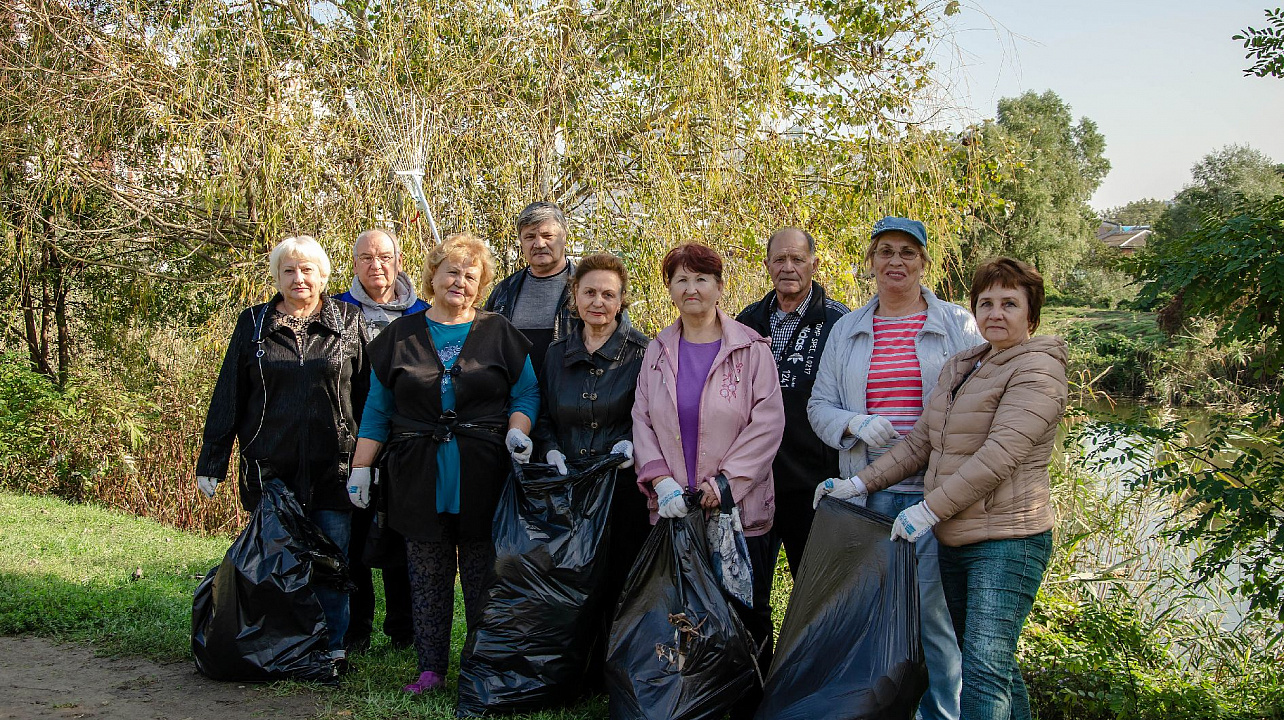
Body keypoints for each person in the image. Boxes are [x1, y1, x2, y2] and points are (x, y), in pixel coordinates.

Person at [817, 257, 1067, 720]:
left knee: (984, 671)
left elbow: (999, 456)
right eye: (986, 303)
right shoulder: (963, 366)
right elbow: (919, 444)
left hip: (1006, 541)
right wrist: (855, 484)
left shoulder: (1038, 370)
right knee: (994, 667)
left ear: (1031, 314)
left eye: (1010, 303)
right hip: (957, 537)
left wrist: (927, 510)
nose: (995, 313)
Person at [348, 233, 540, 695]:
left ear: (481, 285)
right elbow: (377, 409)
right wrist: (360, 467)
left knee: (483, 577)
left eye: (471, 276)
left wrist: (518, 430)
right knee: (427, 576)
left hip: (483, 472)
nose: (460, 282)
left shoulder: (499, 332)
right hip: (418, 473)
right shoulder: (400, 336)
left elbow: (527, 392)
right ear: (432, 276)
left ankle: (480, 666)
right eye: (452, 272)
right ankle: (431, 669)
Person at [807, 216, 982, 720]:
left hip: (934, 498)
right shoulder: (848, 329)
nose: (896, 261)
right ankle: (868, 710)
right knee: (868, 615)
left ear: (924, 261)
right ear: (871, 262)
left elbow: (980, 403)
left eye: (908, 252)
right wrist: (854, 423)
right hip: (866, 496)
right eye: (885, 251)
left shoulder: (956, 325)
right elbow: (819, 406)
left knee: (934, 620)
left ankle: (942, 713)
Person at [195, 235, 367, 666]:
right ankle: (279, 643)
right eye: (288, 270)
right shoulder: (253, 324)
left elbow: (369, 397)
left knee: (332, 560)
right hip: (270, 469)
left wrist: (371, 462)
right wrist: (212, 459)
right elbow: (229, 394)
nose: (298, 278)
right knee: (275, 561)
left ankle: (332, 646)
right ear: (276, 277)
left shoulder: (350, 321)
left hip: (335, 469)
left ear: (323, 275)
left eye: (307, 269)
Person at [632, 243, 784, 720]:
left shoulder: (751, 349)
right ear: (670, 289)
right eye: (681, 279)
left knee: (745, 609)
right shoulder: (657, 351)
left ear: (719, 286)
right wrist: (660, 480)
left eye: (701, 278)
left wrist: (725, 483)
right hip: (677, 510)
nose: (691, 288)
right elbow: (642, 420)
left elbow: (768, 423)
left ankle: (750, 702)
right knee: (685, 611)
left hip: (737, 509)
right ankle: (695, 701)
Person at [531, 252, 651, 681]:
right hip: (568, 486)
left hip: (621, 488)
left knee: (619, 578)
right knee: (571, 578)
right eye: (589, 292)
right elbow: (542, 414)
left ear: (621, 300)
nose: (598, 302)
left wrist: (634, 442)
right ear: (574, 296)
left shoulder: (643, 353)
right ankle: (575, 672)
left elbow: (656, 414)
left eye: (608, 294)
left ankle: (616, 672)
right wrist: (549, 449)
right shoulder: (555, 354)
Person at [333, 228, 428, 653]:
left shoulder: (424, 313)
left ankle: (404, 631)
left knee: (403, 535)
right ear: (354, 264)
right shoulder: (336, 311)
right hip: (352, 438)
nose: (377, 266)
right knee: (354, 536)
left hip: (409, 443)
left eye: (385, 257)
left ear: (398, 261)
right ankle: (356, 629)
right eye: (367, 258)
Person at [736, 227, 849, 575]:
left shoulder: (838, 321)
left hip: (812, 485)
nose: (788, 267)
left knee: (815, 587)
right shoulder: (747, 321)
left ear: (814, 264)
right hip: (754, 482)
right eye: (780, 259)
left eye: (797, 259)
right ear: (767, 265)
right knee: (748, 589)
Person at [484, 201, 577, 377]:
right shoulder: (503, 292)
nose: (539, 244)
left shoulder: (589, 289)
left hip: (571, 391)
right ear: (521, 241)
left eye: (547, 235)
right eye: (530, 237)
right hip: (516, 392)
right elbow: (484, 348)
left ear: (564, 236)